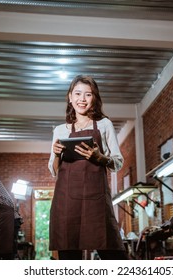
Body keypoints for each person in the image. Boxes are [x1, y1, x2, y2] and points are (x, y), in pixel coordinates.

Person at [48, 75, 128, 260]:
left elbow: (118, 162)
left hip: (96, 200)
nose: (81, 99)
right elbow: (54, 170)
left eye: (88, 94)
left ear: (94, 98)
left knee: (115, 257)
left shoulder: (104, 124)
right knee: (69, 260)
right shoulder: (60, 130)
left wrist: (100, 157)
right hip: (67, 202)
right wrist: (56, 155)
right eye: (77, 94)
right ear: (70, 97)